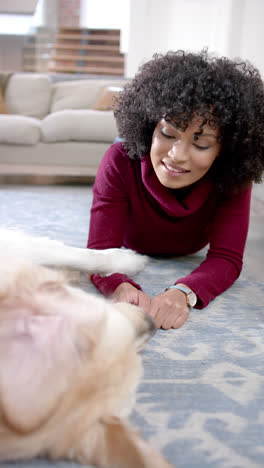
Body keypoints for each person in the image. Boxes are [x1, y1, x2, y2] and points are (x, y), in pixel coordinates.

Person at [87, 49, 264, 329]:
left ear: (224, 149)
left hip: (188, 246)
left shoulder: (232, 176)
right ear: (151, 127)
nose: (178, 155)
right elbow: (100, 252)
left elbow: (227, 258)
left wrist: (183, 292)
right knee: (124, 149)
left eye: (201, 144)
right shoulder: (119, 161)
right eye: (168, 134)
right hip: (132, 241)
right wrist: (118, 284)